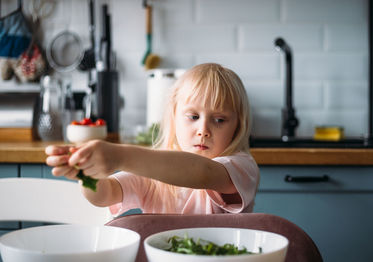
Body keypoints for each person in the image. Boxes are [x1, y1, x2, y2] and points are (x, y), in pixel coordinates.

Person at [45, 63, 260, 215]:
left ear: (238, 125)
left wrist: (119, 155)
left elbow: (203, 172)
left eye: (220, 120)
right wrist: (88, 175)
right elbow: (105, 194)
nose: (203, 130)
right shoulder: (153, 170)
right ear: (174, 117)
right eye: (193, 117)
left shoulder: (241, 168)